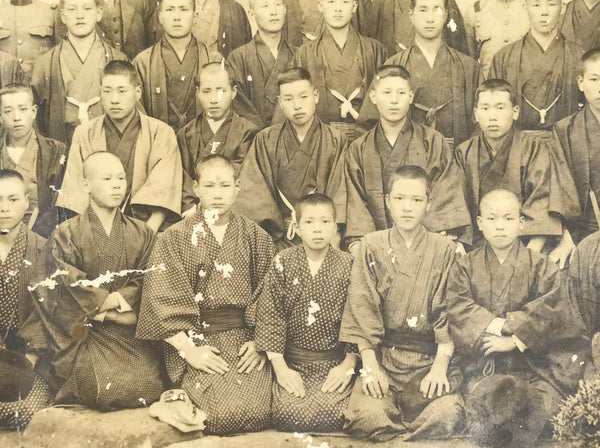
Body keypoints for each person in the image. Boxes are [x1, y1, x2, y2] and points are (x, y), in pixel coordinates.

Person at [136, 154, 276, 435]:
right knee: (218, 416)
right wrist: (189, 350)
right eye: (209, 186)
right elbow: (160, 299)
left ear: (237, 188)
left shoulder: (256, 236)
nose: (217, 194)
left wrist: (261, 342)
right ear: (196, 189)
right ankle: (176, 398)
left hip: (245, 340)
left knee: (262, 410)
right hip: (196, 339)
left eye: (225, 186)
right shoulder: (174, 237)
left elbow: (272, 296)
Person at [21, 152, 164, 410]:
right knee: (102, 390)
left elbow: (150, 279)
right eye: (107, 179)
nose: (117, 185)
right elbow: (60, 288)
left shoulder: (142, 232)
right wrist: (113, 308)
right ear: (86, 185)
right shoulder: (66, 233)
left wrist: (105, 305)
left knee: (149, 386)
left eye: (121, 178)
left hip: (129, 333)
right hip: (80, 333)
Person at [446, 188, 584, 447]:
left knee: (543, 408)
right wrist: (496, 325)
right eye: (492, 218)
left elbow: (554, 309)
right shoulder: (464, 266)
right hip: (485, 366)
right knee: (489, 405)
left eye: (508, 218)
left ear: (522, 223)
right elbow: (458, 306)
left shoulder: (541, 265)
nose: (500, 226)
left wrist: (514, 340)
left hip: (533, 367)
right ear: (480, 223)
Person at [340, 165, 464, 442]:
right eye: (399, 198)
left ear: (429, 204)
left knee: (448, 414)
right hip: (385, 360)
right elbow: (362, 307)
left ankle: (399, 430)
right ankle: (410, 431)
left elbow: (449, 312)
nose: (407, 208)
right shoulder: (370, 245)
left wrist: (440, 368)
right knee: (366, 417)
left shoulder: (445, 249)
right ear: (387, 201)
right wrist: (370, 367)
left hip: (428, 361)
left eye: (417, 199)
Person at [255, 193, 357, 432]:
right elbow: (270, 316)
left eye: (325, 221)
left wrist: (347, 365)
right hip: (293, 363)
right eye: (309, 222)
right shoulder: (283, 261)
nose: (318, 229)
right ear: (297, 227)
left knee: (335, 414)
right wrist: (281, 369)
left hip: (335, 362)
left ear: (335, 226)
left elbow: (357, 317)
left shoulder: (349, 264)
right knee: (287, 414)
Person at [456, 79, 579, 264]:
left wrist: (528, 254)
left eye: (500, 108)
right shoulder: (464, 152)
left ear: (515, 112)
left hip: (529, 240)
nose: (492, 116)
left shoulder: (535, 148)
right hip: (480, 242)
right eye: (485, 108)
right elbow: (459, 205)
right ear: (476, 114)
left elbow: (542, 199)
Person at [345, 65, 470, 247]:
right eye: (387, 92)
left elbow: (444, 194)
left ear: (411, 97)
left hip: (425, 243)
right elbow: (357, 206)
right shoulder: (358, 148)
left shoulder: (433, 141)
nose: (394, 100)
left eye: (401, 93)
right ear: (373, 96)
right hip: (376, 245)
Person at [56, 60, 182, 233]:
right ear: (100, 93)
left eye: (122, 91)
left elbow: (164, 191)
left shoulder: (160, 132)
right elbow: (76, 190)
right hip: (95, 228)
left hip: (147, 227)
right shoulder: (85, 133)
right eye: (107, 91)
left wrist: (147, 234)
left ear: (137, 92)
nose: (114, 100)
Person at [236, 68, 347, 249]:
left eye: (303, 97)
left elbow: (340, 192)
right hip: (277, 238)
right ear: (280, 103)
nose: (297, 106)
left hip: (322, 234)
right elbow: (254, 194)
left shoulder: (336, 140)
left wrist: (332, 235)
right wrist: (269, 241)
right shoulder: (266, 139)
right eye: (288, 99)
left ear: (316, 96)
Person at [360, 0, 481, 148]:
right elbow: (369, 123)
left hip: (455, 155)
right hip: (407, 157)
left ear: (446, 15)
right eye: (423, 10)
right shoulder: (393, 65)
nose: (430, 18)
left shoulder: (468, 67)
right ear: (411, 15)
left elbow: (482, 120)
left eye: (437, 10)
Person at [292, 0, 387, 143]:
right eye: (331, 1)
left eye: (344, 1)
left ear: (354, 6)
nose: (338, 8)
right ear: (320, 6)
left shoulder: (375, 50)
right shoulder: (304, 53)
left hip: (367, 139)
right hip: (320, 140)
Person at [31, 0, 128, 145]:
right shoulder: (45, 64)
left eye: (87, 8)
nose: (80, 15)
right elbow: (35, 120)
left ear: (99, 13)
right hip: (62, 147)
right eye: (72, 9)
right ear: (63, 16)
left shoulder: (117, 59)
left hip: (107, 147)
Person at [490, 0, 582, 131]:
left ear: (563, 8)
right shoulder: (504, 57)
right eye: (536, 5)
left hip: (566, 141)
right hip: (517, 141)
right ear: (525, 7)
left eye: (551, 4)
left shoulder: (578, 55)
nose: (544, 12)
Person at [0, 170, 53, 429]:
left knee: (27, 410)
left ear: (26, 202)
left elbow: (47, 315)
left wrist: (26, 362)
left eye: (12, 199)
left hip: (28, 357)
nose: (4, 208)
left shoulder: (44, 249)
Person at [177, 62, 259, 216]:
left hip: (234, 211)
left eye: (221, 91)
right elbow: (181, 175)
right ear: (198, 93)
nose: (214, 99)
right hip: (193, 211)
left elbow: (245, 177)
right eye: (206, 91)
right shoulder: (186, 133)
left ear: (233, 92)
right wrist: (190, 206)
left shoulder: (248, 131)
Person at [135, 0, 220, 132]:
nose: (177, 17)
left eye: (184, 9)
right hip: (158, 141)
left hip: (203, 140)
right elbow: (137, 112)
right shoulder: (143, 61)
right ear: (160, 17)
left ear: (195, 16)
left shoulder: (214, 59)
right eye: (170, 10)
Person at [0, 84, 67, 237]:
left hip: (42, 236)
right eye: (8, 111)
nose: (16, 117)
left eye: (23, 109)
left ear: (34, 112)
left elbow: (62, 207)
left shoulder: (56, 151)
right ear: (1, 117)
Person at [227, 0, 294, 127]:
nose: (273, 12)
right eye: (265, 6)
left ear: (284, 10)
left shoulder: (298, 54)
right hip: (252, 137)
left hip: (293, 134)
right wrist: (263, 136)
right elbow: (239, 106)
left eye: (277, 5)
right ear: (251, 14)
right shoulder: (238, 58)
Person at [552, 47, 600, 243]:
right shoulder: (565, 130)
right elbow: (559, 187)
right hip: (582, 231)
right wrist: (566, 236)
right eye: (594, 79)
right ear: (581, 83)